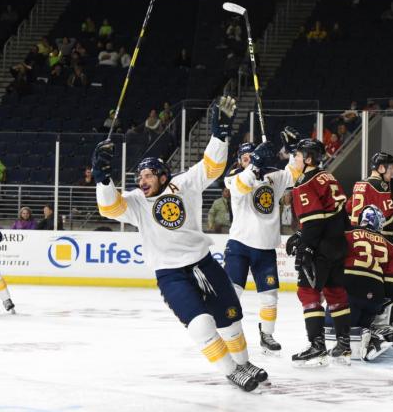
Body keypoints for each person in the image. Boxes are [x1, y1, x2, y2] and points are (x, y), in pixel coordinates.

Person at [92, 96, 268, 392]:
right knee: (200, 324)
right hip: (170, 273)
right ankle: (230, 371)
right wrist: (102, 179)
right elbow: (109, 208)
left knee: (230, 317)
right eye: (139, 175)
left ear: (163, 176)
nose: (142, 179)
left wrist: (219, 134)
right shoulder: (135, 202)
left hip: (203, 263)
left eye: (148, 174)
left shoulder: (183, 184)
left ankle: (243, 362)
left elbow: (211, 167)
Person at [223, 127, 301, 355]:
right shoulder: (233, 177)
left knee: (269, 298)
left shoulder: (272, 177)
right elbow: (243, 186)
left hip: (266, 247)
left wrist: (294, 150)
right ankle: (229, 333)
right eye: (245, 158)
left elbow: (295, 173)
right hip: (239, 245)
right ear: (240, 160)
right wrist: (254, 164)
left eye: (252, 156)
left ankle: (267, 334)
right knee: (232, 294)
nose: (248, 160)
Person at [285, 138, 351, 367]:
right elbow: (343, 216)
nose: (295, 159)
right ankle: (343, 346)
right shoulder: (328, 176)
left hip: (321, 245)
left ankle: (317, 346)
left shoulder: (305, 182)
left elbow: (313, 221)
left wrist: (307, 247)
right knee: (335, 292)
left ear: (309, 159)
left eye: (299, 155)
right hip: (338, 243)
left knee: (307, 292)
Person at [342, 205, 393, 361]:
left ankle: (369, 337)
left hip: (350, 291)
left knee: (334, 326)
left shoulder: (348, 234)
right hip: (374, 297)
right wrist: (385, 300)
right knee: (364, 321)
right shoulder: (389, 245)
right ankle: (375, 333)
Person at [345, 152, 393, 324]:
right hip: (380, 240)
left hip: (356, 239)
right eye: (392, 168)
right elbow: (386, 218)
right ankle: (382, 322)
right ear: (381, 168)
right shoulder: (380, 186)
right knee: (388, 281)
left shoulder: (359, 184)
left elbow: (348, 208)